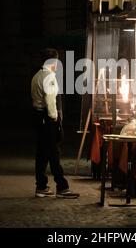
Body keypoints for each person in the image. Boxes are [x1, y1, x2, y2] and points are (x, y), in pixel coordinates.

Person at [31, 48, 79, 199]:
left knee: (42, 154)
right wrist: (55, 118)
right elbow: (50, 101)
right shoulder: (49, 77)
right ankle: (62, 187)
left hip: (38, 117)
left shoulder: (37, 76)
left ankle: (41, 186)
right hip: (48, 119)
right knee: (53, 153)